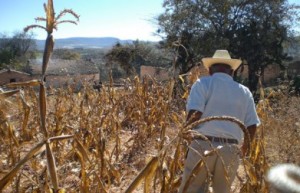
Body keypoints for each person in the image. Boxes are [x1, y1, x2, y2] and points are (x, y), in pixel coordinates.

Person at [178, 50, 260, 193]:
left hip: (202, 144)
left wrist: (184, 134)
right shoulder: (244, 91)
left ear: (210, 70)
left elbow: (195, 113)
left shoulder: (202, 83)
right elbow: (252, 125)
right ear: (232, 72)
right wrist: (245, 148)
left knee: (192, 189)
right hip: (231, 149)